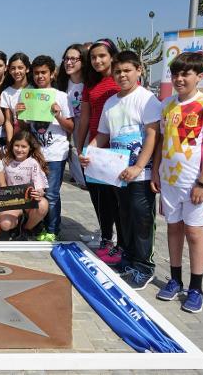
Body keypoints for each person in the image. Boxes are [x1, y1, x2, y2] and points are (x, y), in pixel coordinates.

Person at [80, 51, 161, 289]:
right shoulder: (111, 102)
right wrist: (90, 152)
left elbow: (152, 134)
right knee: (124, 218)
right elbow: (104, 134)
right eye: (118, 71)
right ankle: (127, 261)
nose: (122, 75)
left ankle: (144, 267)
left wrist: (138, 166)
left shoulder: (147, 99)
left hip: (140, 175)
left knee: (142, 221)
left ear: (139, 70)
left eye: (127, 70)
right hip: (117, 175)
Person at [152, 52, 203, 313]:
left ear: (200, 76)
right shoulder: (167, 105)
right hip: (170, 182)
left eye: (186, 74)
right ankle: (175, 280)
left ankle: (196, 288)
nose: (180, 79)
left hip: (195, 183)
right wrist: (155, 172)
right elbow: (161, 141)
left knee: (194, 233)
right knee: (173, 230)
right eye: (176, 74)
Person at [18, 55, 74, 241]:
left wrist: (57, 115)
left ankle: (52, 230)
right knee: (34, 193)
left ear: (52, 74)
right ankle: (37, 226)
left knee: (51, 194)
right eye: (36, 73)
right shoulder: (28, 95)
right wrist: (19, 116)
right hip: (35, 155)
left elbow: (70, 127)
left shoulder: (61, 97)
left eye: (44, 72)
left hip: (55, 154)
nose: (40, 76)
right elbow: (26, 128)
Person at [76, 38, 122, 258]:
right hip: (94, 149)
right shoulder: (90, 84)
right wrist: (80, 147)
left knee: (116, 200)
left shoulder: (121, 79)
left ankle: (121, 244)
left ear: (112, 56)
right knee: (99, 198)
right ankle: (106, 238)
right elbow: (84, 118)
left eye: (102, 55)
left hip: (118, 149)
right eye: (93, 57)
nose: (97, 60)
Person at [0, 131, 49, 240]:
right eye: (17, 145)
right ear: (12, 146)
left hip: (28, 201)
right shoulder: (5, 162)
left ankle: (26, 228)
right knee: (5, 224)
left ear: (30, 148)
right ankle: (15, 225)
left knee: (43, 205)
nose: (19, 149)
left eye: (23, 147)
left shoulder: (33, 163)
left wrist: (39, 193)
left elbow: (40, 186)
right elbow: (0, 183)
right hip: (12, 201)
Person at [57, 43, 88, 188]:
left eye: (73, 59)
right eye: (66, 59)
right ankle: (82, 181)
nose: (69, 62)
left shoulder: (91, 83)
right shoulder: (60, 84)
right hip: (67, 127)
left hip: (87, 128)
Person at [0, 53, 33, 144]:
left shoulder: (35, 89)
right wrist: (9, 143)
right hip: (18, 139)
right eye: (13, 68)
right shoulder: (6, 93)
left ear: (27, 69)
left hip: (36, 138)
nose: (16, 71)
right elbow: (8, 121)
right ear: (9, 70)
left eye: (20, 67)